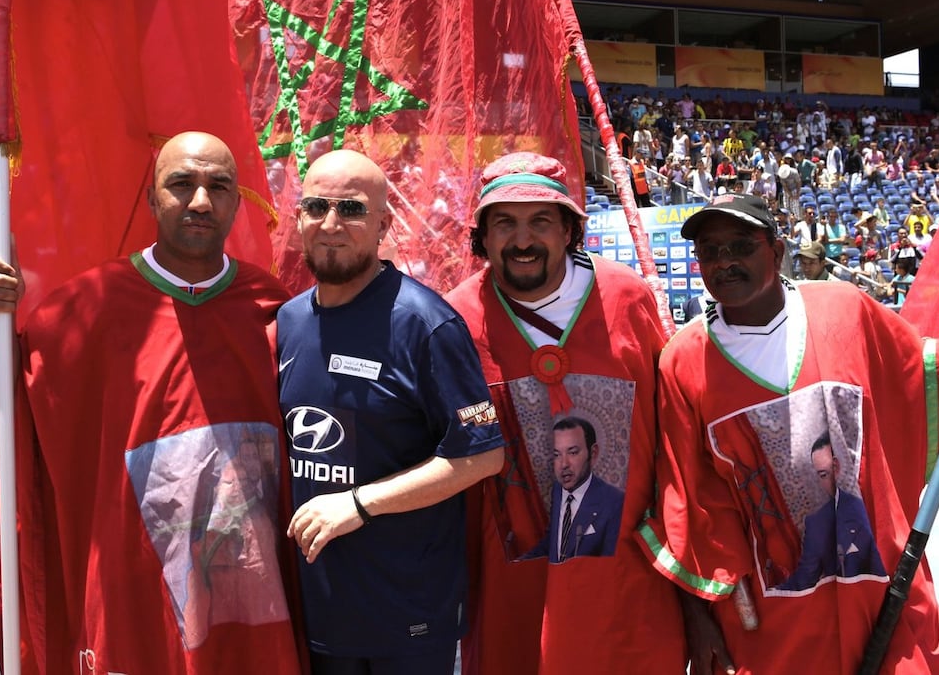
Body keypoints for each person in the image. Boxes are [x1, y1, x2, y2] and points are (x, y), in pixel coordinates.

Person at [638, 192, 939, 674]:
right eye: (710, 251)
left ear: (778, 250)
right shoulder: (683, 362)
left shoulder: (846, 310)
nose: (725, 262)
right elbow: (687, 507)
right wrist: (699, 621)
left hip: (880, 602)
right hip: (772, 629)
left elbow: (931, 378)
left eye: (741, 245)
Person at [0, 132, 304, 674]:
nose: (200, 201)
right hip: (132, 593)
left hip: (250, 594)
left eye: (218, 186)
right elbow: (3, 410)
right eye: (181, 184)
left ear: (237, 203)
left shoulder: (271, 306)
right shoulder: (83, 307)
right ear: (150, 198)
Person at [444, 152, 685, 674]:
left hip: (627, 586)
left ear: (570, 230)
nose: (523, 239)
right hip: (513, 591)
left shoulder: (627, 297)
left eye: (541, 222)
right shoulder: (455, 318)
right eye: (504, 222)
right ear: (481, 235)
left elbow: (674, 440)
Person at [278, 149, 502, 674]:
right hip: (317, 611)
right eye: (317, 206)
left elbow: (482, 456)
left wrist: (358, 503)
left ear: (384, 223)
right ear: (299, 219)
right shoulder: (287, 321)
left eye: (352, 210)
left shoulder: (426, 324)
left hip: (407, 615)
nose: (331, 224)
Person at [777, 435, 886, 591]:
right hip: (837, 608)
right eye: (820, 476)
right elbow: (806, 577)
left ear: (838, 466)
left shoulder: (872, 505)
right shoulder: (816, 522)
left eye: (826, 473)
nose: (823, 482)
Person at [523, 416, 624, 562]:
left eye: (573, 452)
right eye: (556, 455)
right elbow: (553, 543)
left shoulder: (614, 503)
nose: (564, 464)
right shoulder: (557, 490)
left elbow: (609, 568)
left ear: (593, 453)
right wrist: (520, 564)